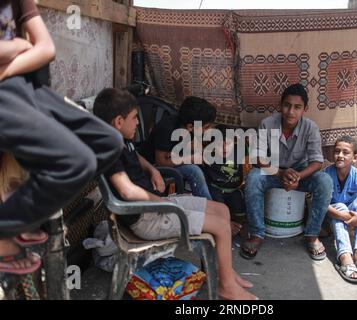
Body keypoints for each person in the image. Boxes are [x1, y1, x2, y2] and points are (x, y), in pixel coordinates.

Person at [93, 88, 257, 300]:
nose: (137, 123)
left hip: (154, 206)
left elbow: (137, 157)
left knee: (222, 210)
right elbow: (127, 190)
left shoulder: (119, 139)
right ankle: (225, 286)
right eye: (134, 118)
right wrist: (159, 201)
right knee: (221, 228)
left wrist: (151, 170)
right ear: (118, 121)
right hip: (147, 218)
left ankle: (223, 271)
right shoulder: (109, 149)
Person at [0, 0, 122, 274]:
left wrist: (8, 63)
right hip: (9, 91)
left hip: (22, 84)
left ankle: (23, 214)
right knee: (76, 162)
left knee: (108, 143)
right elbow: (29, 48)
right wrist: (20, 47)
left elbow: (45, 49)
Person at [241, 83, 333, 260]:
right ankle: (257, 233)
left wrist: (297, 176)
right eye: (287, 105)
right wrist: (280, 174)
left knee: (324, 181)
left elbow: (316, 162)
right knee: (253, 178)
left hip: (300, 175)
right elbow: (258, 158)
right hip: (274, 173)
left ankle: (312, 235)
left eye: (297, 107)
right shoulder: (267, 124)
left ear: (305, 109)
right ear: (280, 105)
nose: (291, 112)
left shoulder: (310, 127)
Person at [325, 136, 357, 284]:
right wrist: (341, 215)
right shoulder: (327, 174)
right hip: (331, 215)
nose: (340, 155)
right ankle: (345, 257)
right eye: (337, 151)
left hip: (350, 214)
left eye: (345, 152)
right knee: (340, 205)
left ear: (355, 158)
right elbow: (321, 204)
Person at [142, 96, 215, 200]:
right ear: (190, 127)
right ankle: (209, 205)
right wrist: (190, 158)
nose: (208, 130)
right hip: (154, 167)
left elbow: (194, 145)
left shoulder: (191, 128)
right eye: (206, 127)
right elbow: (161, 162)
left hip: (173, 158)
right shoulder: (167, 129)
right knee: (194, 170)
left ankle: (213, 199)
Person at [201, 124, 246, 236]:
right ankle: (224, 226)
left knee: (240, 208)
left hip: (234, 189)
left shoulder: (240, 151)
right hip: (216, 189)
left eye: (229, 144)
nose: (225, 148)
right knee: (218, 209)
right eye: (220, 144)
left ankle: (237, 225)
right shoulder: (207, 155)